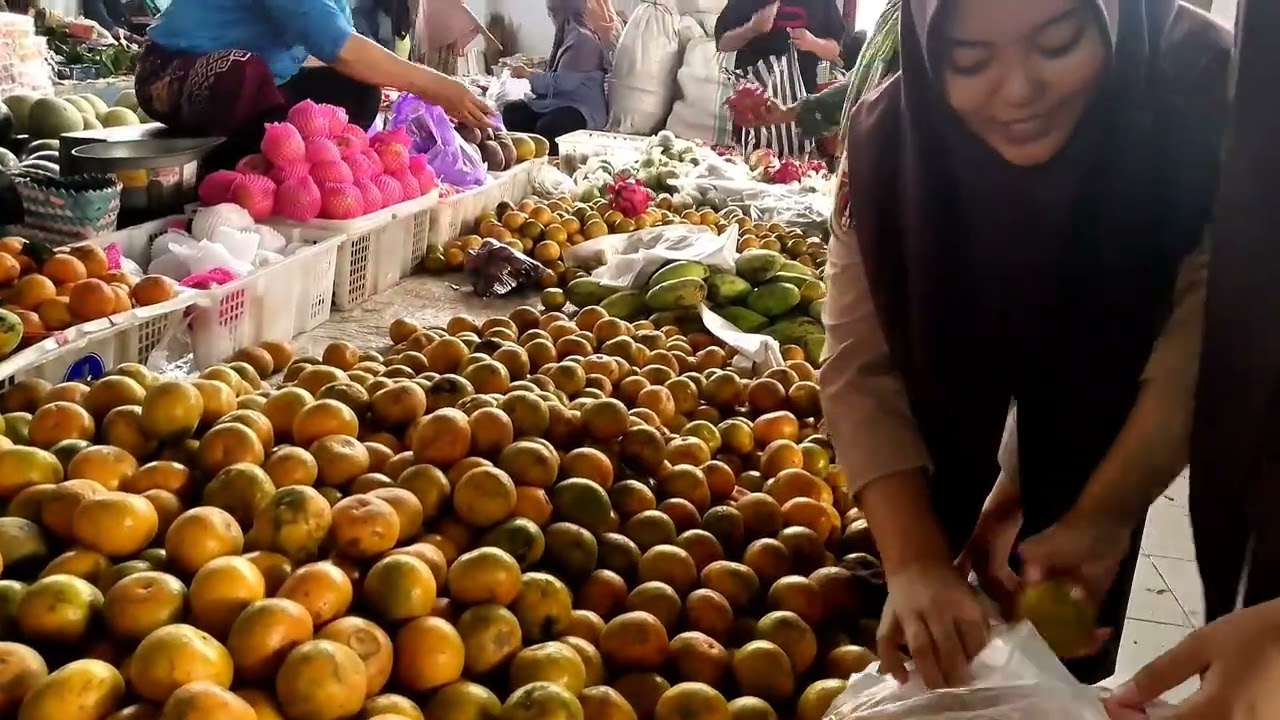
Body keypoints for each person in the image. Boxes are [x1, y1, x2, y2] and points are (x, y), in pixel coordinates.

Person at [821, 0, 1229, 691]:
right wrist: (917, 560)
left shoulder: (1202, 90)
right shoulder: (894, 146)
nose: (1018, 91)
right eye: (971, 60)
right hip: (1008, 428)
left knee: (1063, 645)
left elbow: (1208, 333)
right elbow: (859, 364)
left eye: (1060, 42)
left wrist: (1102, 514)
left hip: (1128, 413)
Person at [135, 0, 492, 173]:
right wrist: (432, 84)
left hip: (265, 82)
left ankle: (286, 168)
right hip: (173, 74)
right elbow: (335, 45)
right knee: (240, 75)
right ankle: (228, 168)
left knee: (357, 90)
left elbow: (345, 42)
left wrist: (400, 83)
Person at [744, 0, 900, 155]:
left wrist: (812, 42)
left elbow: (837, 51)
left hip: (903, 155)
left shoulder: (919, 16)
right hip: (873, 153)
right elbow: (858, 87)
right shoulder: (895, 12)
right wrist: (788, 112)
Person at [714, 0, 846, 156]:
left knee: (798, 171)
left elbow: (835, 51)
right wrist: (751, 29)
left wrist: (812, 43)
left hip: (802, 104)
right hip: (751, 108)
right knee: (751, 167)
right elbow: (723, 43)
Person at [501, 0, 609, 155]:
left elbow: (561, 83)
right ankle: (533, 153)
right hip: (558, 102)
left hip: (581, 108)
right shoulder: (567, 35)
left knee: (548, 128)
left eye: (552, 12)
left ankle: (555, 158)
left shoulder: (582, 39)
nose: (550, 16)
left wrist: (527, 74)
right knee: (513, 112)